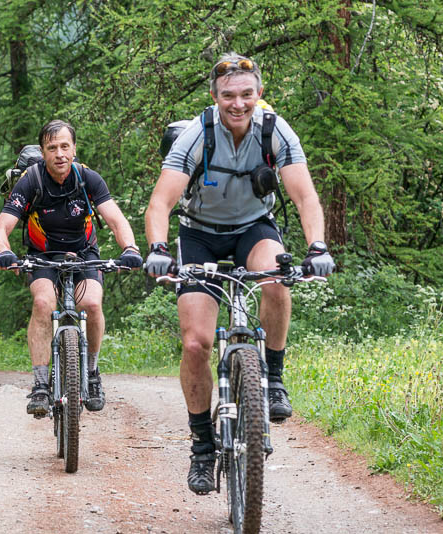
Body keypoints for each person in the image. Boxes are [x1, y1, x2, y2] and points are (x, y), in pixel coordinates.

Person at [142, 53, 335, 495]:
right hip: (200, 235)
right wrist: (156, 249)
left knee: (276, 276)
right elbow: (161, 202)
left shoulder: (274, 129)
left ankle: (274, 377)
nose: (238, 103)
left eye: (247, 94)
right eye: (228, 95)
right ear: (214, 98)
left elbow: (305, 197)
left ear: (259, 94)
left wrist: (317, 246)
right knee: (196, 342)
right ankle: (202, 448)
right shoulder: (197, 134)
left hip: (253, 227)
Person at [0, 119, 142, 416]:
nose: (59, 153)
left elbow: (116, 219)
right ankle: (41, 384)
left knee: (92, 304)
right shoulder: (31, 181)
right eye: (51, 148)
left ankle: (93, 373)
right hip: (43, 256)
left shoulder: (88, 179)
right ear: (43, 152)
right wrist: (4, 252)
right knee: (43, 302)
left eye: (64, 146)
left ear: (73, 149)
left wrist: (130, 249)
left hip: (84, 254)